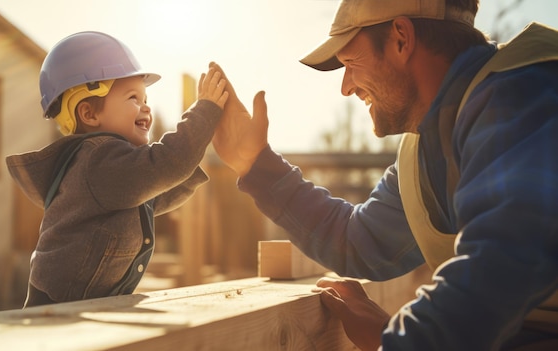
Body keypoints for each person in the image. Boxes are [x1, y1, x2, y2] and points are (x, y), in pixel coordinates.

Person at [211, 0, 558, 349]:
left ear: (401, 40)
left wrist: (396, 340)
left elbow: (502, 261)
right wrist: (257, 164)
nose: (346, 87)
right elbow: (358, 239)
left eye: (350, 63)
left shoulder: (525, 93)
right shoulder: (425, 150)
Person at [6, 31, 228, 307]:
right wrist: (204, 112)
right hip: (57, 307)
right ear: (89, 114)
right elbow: (165, 166)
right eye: (133, 98)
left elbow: (154, 194)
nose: (146, 108)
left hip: (83, 304)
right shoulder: (98, 159)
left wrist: (192, 157)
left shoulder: (119, 171)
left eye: (146, 99)